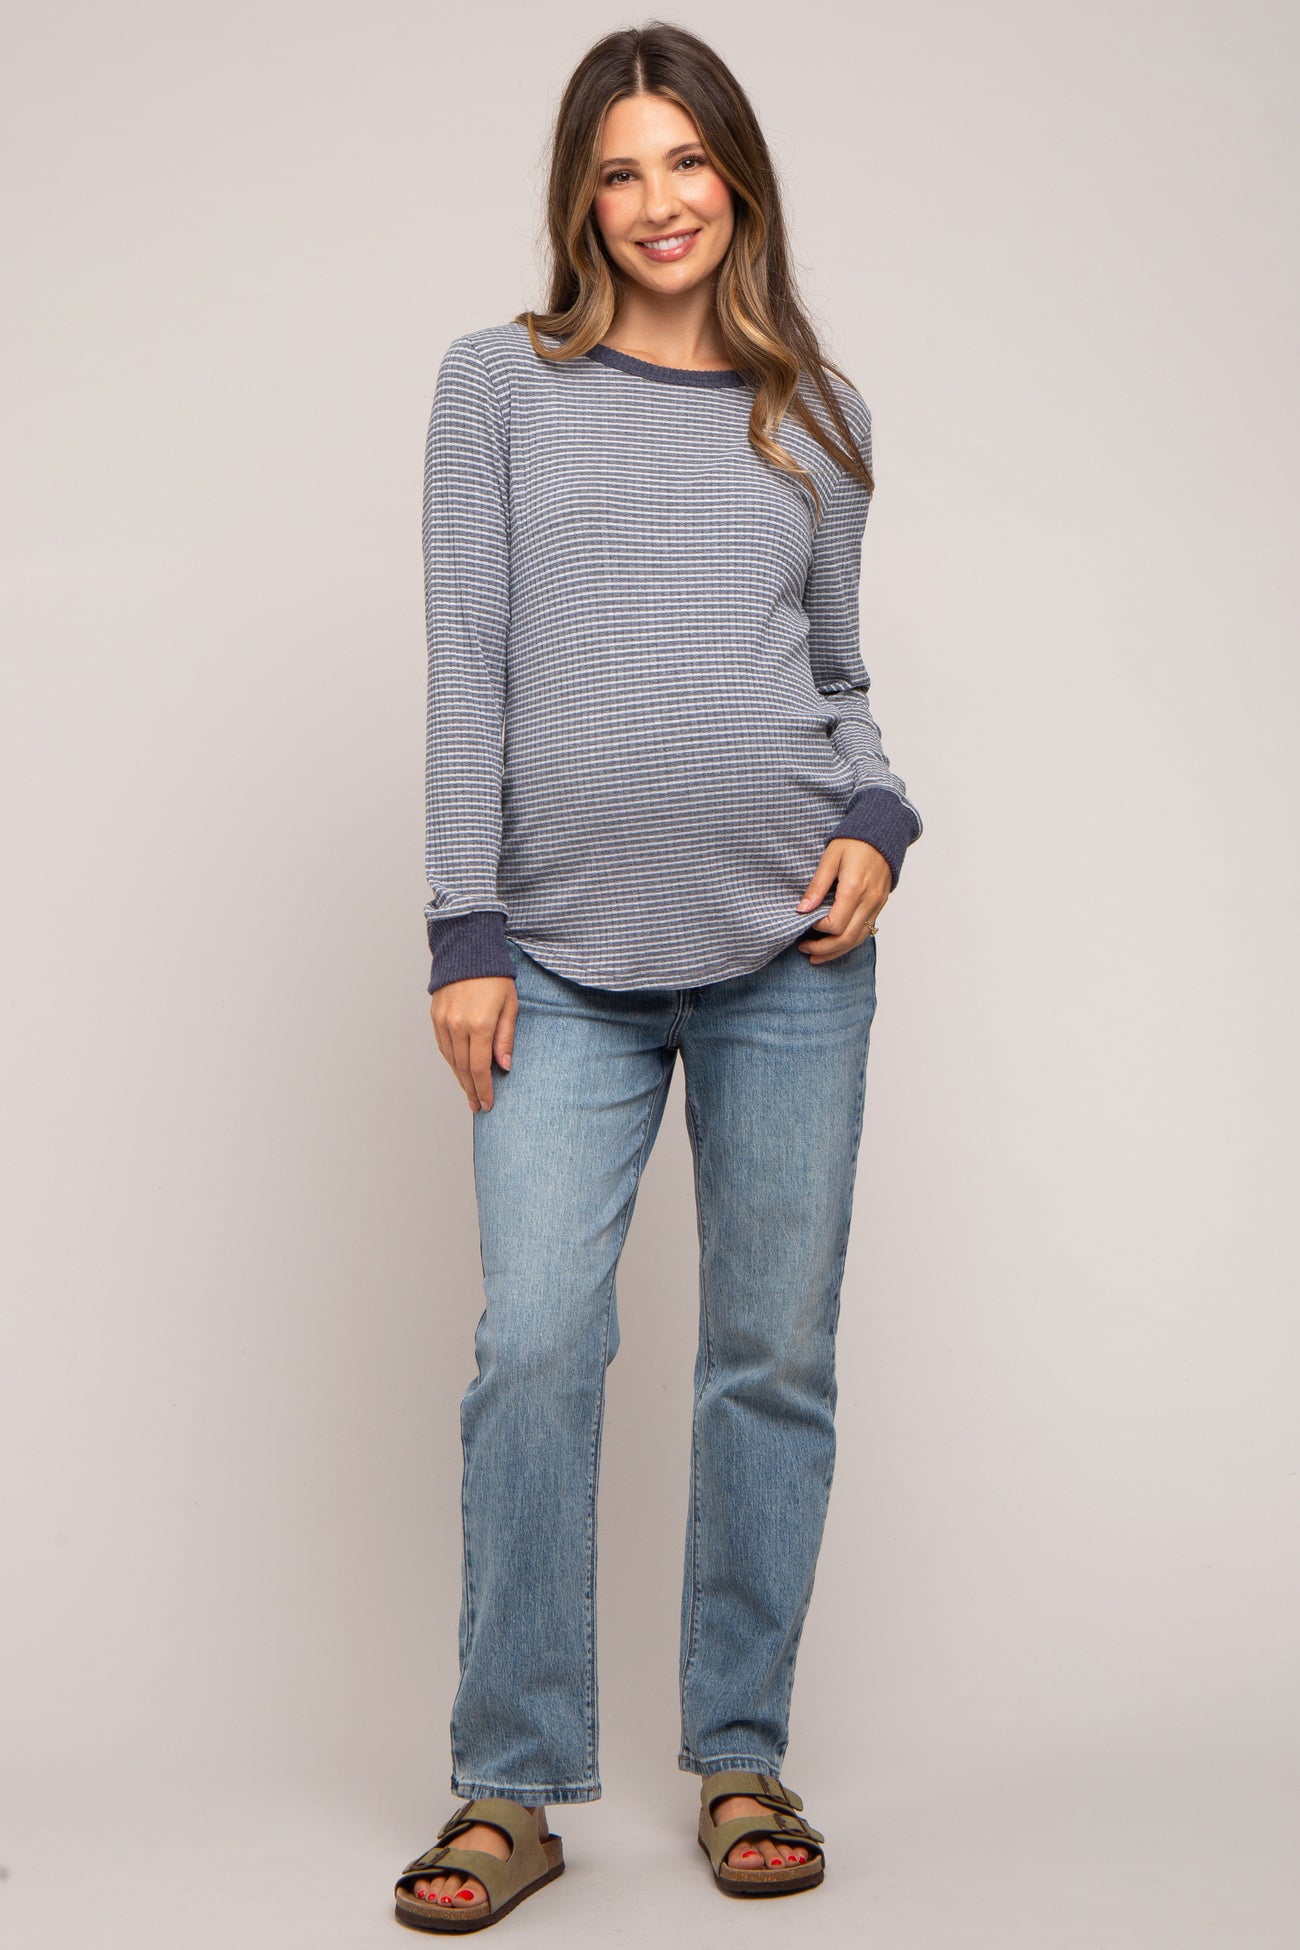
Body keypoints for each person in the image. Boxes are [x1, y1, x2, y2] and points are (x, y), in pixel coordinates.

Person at [393, 21, 923, 1933]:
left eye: (685, 161)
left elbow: (839, 673)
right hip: (554, 954)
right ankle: (510, 1785)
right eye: (618, 170)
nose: (657, 201)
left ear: (737, 178)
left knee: (770, 1356)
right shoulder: (499, 386)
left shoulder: (817, 412)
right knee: (537, 1340)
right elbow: (467, 661)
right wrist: (464, 929)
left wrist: (882, 816)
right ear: (579, 199)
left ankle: (742, 1751)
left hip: (794, 947)